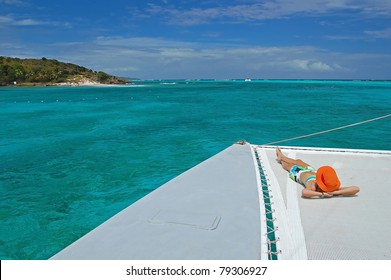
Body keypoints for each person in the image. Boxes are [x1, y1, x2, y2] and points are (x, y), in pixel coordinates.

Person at [276, 147, 360, 198]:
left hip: (299, 174)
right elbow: (356, 188)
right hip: (312, 171)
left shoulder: (313, 187)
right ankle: (282, 156)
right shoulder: (331, 187)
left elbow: (304, 192)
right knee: (299, 161)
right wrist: (336, 192)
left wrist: (322, 194)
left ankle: (281, 160)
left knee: (287, 166)